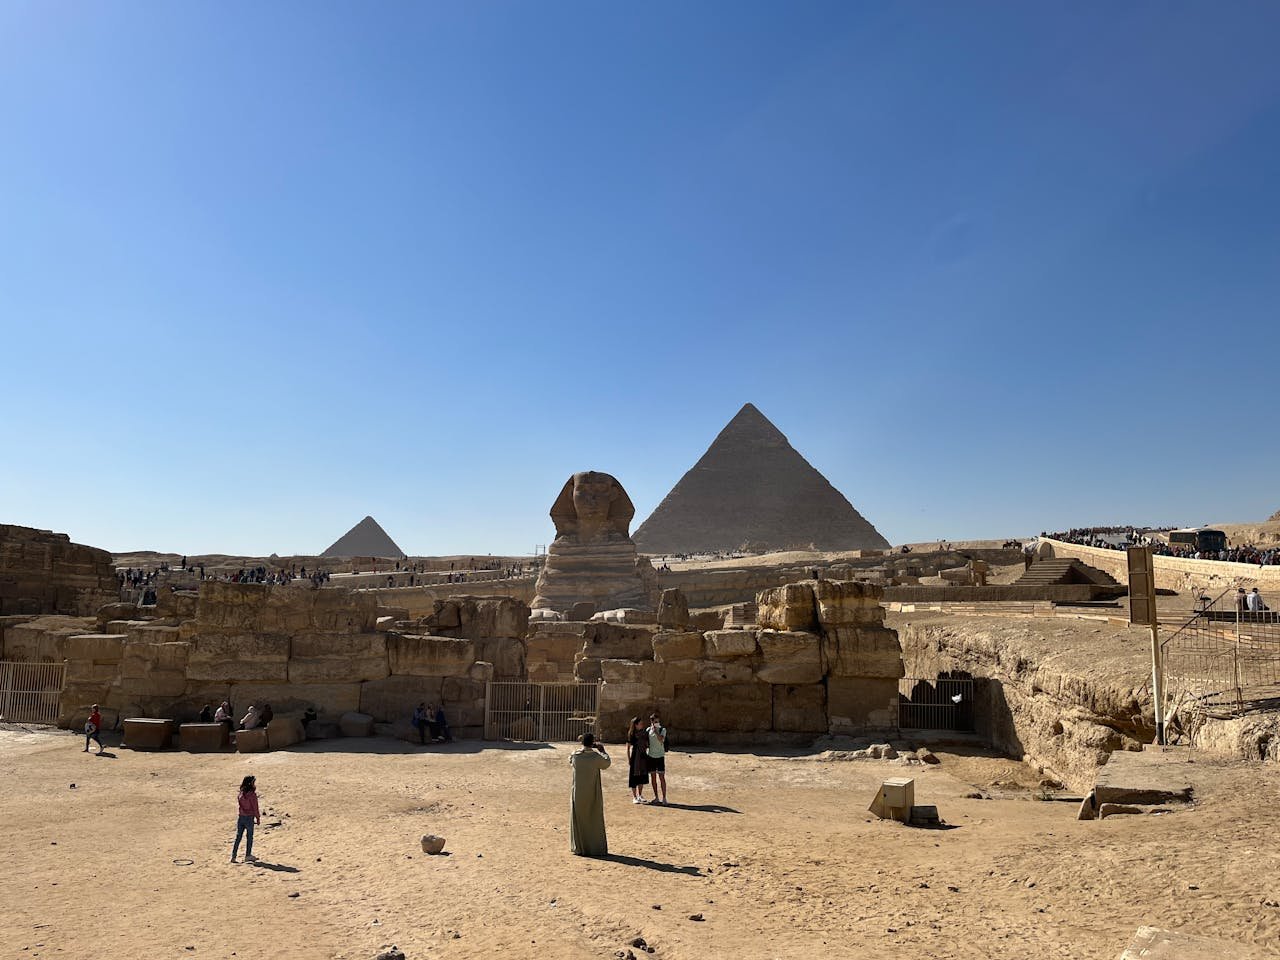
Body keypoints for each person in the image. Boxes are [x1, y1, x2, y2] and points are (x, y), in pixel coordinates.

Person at [568, 733, 611, 856]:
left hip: (578, 793)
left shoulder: (576, 756)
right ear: (592, 743)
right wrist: (603, 751)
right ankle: (594, 848)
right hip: (592, 793)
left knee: (579, 820)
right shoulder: (595, 757)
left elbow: (570, 759)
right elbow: (607, 763)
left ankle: (579, 847)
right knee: (593, 820)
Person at [230, 775, 261, 863]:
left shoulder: (241, 793)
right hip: (249, 817)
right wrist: (258, 817)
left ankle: (233, 856)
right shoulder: (252, 795)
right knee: (249, 837)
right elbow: (255, 807)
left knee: (238, 837)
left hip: (241, 817)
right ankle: (248, 855)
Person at [625, 717, 649, 803]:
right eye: (640, 724)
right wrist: (629, 759)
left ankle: (640, 795)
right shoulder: (631, 734)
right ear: (636, 725)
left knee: (642, 776)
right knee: (634, 777)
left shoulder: (645, 733)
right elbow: (628, 748)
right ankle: (634, 797)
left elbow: (647, 744)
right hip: (635, 757)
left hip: (643, 756)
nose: (642, 725)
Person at [646, 712, 668, 805]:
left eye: (657, 721)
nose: (656, 723)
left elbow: (661, 740)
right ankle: (656, 797)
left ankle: (664, 798)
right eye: (654, 721)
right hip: (651, 756)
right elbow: (646, 743)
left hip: (660, 756)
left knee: (662, 777)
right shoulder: (648, 730)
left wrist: (656, 731)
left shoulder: (663, 729)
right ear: (651, 721)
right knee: (653, 777)